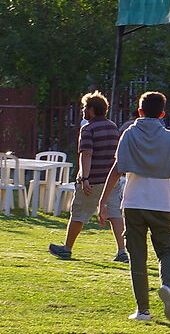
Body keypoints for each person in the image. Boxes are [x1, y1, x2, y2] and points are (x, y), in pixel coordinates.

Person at [101, 91, 170, 324]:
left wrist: (103, 202)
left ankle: (142, 310)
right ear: (163, 113)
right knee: (166, 250)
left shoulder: (128, 134)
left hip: (133, 203)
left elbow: (117, 169)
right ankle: (167, 287)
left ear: (139, 111)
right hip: (160, 203)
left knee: (137, 256)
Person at [49, 92, 127, 262]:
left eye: (85, 107)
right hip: (111, 179)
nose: (83, 110)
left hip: (92, 180)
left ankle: (67, 248)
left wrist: (84, 178)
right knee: (115, 214)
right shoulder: (113, 126)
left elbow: (86, 154)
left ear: (92, 110)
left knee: (78, 214)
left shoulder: (88, 128)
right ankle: (122, 251)